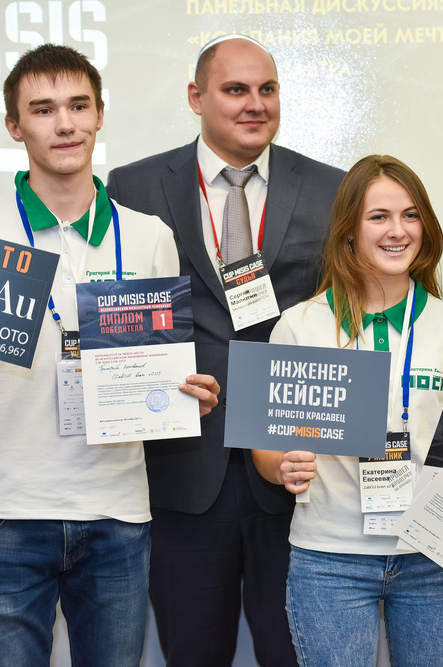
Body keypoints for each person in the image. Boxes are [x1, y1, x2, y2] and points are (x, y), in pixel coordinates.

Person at [0, 44, 219, 666]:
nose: (64, 124)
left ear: (100, 115)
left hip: (118, 514)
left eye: (78, 106)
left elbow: (167, 367)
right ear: (15, 126)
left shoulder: (149, 236)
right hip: (4, 512)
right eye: (43, 110)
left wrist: (188, 394)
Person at [106, 34, 343, 666]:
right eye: (236, 90)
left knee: (295, 653)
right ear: (196, 97)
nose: (254, 104)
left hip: (297, 469)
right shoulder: (133, 185)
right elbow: (120, 315)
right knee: (192, 652)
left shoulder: (331, 188)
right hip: (183, 466)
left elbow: (343, 314)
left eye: (267, 90)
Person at [251, 154, 443, 666]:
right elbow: (265, 450)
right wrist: (281, 466)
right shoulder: (299, 325)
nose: (398, 231)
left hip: (435, 556)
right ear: (349, 230)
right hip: (330, 557)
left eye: (410, 215)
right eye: (379, 217)